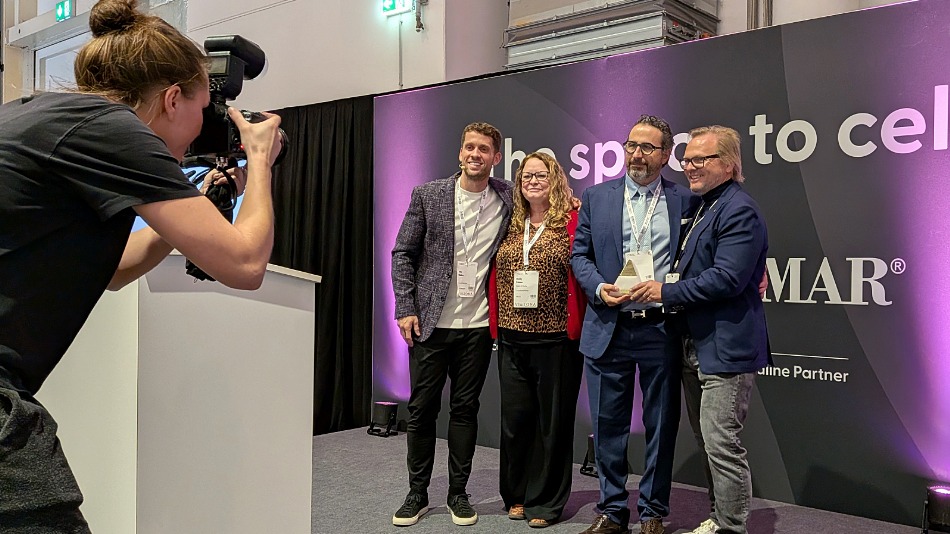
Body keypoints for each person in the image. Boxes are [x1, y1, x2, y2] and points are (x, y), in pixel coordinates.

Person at [0, 0, 283, 529]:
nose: (201, 129)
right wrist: (260, 161)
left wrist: (183, 214)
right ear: (172, 99)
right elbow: (246, 264)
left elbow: (113, 270)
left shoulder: (44, 113)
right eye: (203, 111)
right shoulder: (112, 127)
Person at [631, 125, 769, 534]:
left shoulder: (738, 209)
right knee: (710, 442)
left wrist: (665, 290)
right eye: (686, 159)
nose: (689, 166)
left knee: (722, 443)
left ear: (728, 164)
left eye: (700, 159)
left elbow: (727, 278)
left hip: (725, 346)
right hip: (694, 342)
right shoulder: (704, 204)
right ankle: (719, 516)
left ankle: (731, 526)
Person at [571, 115, 700, 534]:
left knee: (661, 425)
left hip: (661, 327)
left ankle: (653, 512)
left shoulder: (686, 201)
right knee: (609, 424)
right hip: (610, 325)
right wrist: (598, 287)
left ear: (666, 155)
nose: (636, 154)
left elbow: (703, 253)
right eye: (631, 145)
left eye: (647, 147)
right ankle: (611, 509)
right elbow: (580, 256)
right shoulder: (596, 196)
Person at [390, 122, 513, 527]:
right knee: (422, 410)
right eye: (468, 147)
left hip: (478, 327)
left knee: (465, 410)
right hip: (429, 326)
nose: (474, 154)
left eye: (484, 149)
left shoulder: (506, 198)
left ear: (497, 157)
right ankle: (417, 493)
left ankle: (458, 493)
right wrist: (405, 307)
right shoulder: (429, 195)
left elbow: (549, 207)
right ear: (460, 152)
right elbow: (402, 252)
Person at [487, 151, 586, 529]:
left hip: (557, 340)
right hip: (511, 338)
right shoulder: (510, 221)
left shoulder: (571, 220)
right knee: (516, 421)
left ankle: (545, 502)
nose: (532, 181)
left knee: (552, 423)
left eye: (541, 175)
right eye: (526, 175)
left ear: (556, 178)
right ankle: (516, 494)